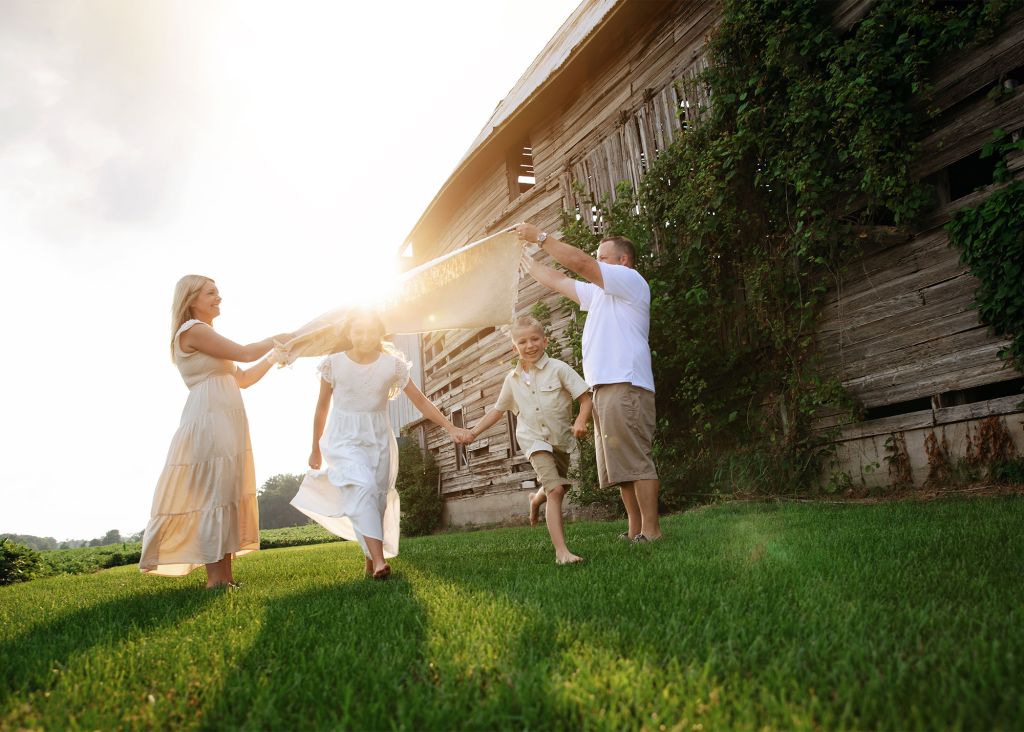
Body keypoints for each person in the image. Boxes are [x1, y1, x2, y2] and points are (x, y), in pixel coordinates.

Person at [289, 309, 474, 580]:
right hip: (343, 437)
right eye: (358, 331)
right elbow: (321, 408)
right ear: (349, 334)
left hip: (378, 437)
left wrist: (450, 427)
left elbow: (420, 401)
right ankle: (378, 561)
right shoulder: (334, 364)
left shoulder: (392, 365)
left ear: (380, 333)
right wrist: (315, 447)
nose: (364, 336)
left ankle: (369, 561)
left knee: (375, 499)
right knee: (361, 486)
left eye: (370, 331)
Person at [140, 275, 293, 588]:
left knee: (227, 492)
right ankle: (215, 580)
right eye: (211, 293)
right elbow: (246, 352)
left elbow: (245, 377)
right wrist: (278, 338)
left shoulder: (208, 335)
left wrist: (276, 356)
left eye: (218, 293)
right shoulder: (193, 330)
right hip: (209, 417)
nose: (218, 298)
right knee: (214, 495)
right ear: (191, 299)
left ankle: (226, 578)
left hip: (226, 417)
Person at [516, 223, 662, 543]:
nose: (596, 262)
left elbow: (580, 264)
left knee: (635, 460)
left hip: (625, 383)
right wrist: (526, 260)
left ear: (623, 261)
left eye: (603, 257)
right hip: (604, 389)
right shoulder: (599, 295)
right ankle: (635, 529)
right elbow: (559, 280)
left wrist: (541, 238)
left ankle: (652, 532)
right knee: (621, 469)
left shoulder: (630, 281)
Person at [468, 316, 592, 564]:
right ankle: (562, 553)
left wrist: (580, 421)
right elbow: (497, 410)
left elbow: (585, 397)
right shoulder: (511, 380)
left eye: (535, 339)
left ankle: (535, 500)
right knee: (556, 490)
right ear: (515, 347)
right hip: (533, 440)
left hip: (560, 441)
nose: (530, 345)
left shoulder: (558, 369)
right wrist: (473, 433)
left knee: (554, 487)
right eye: (522, 341)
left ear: (545, 341)